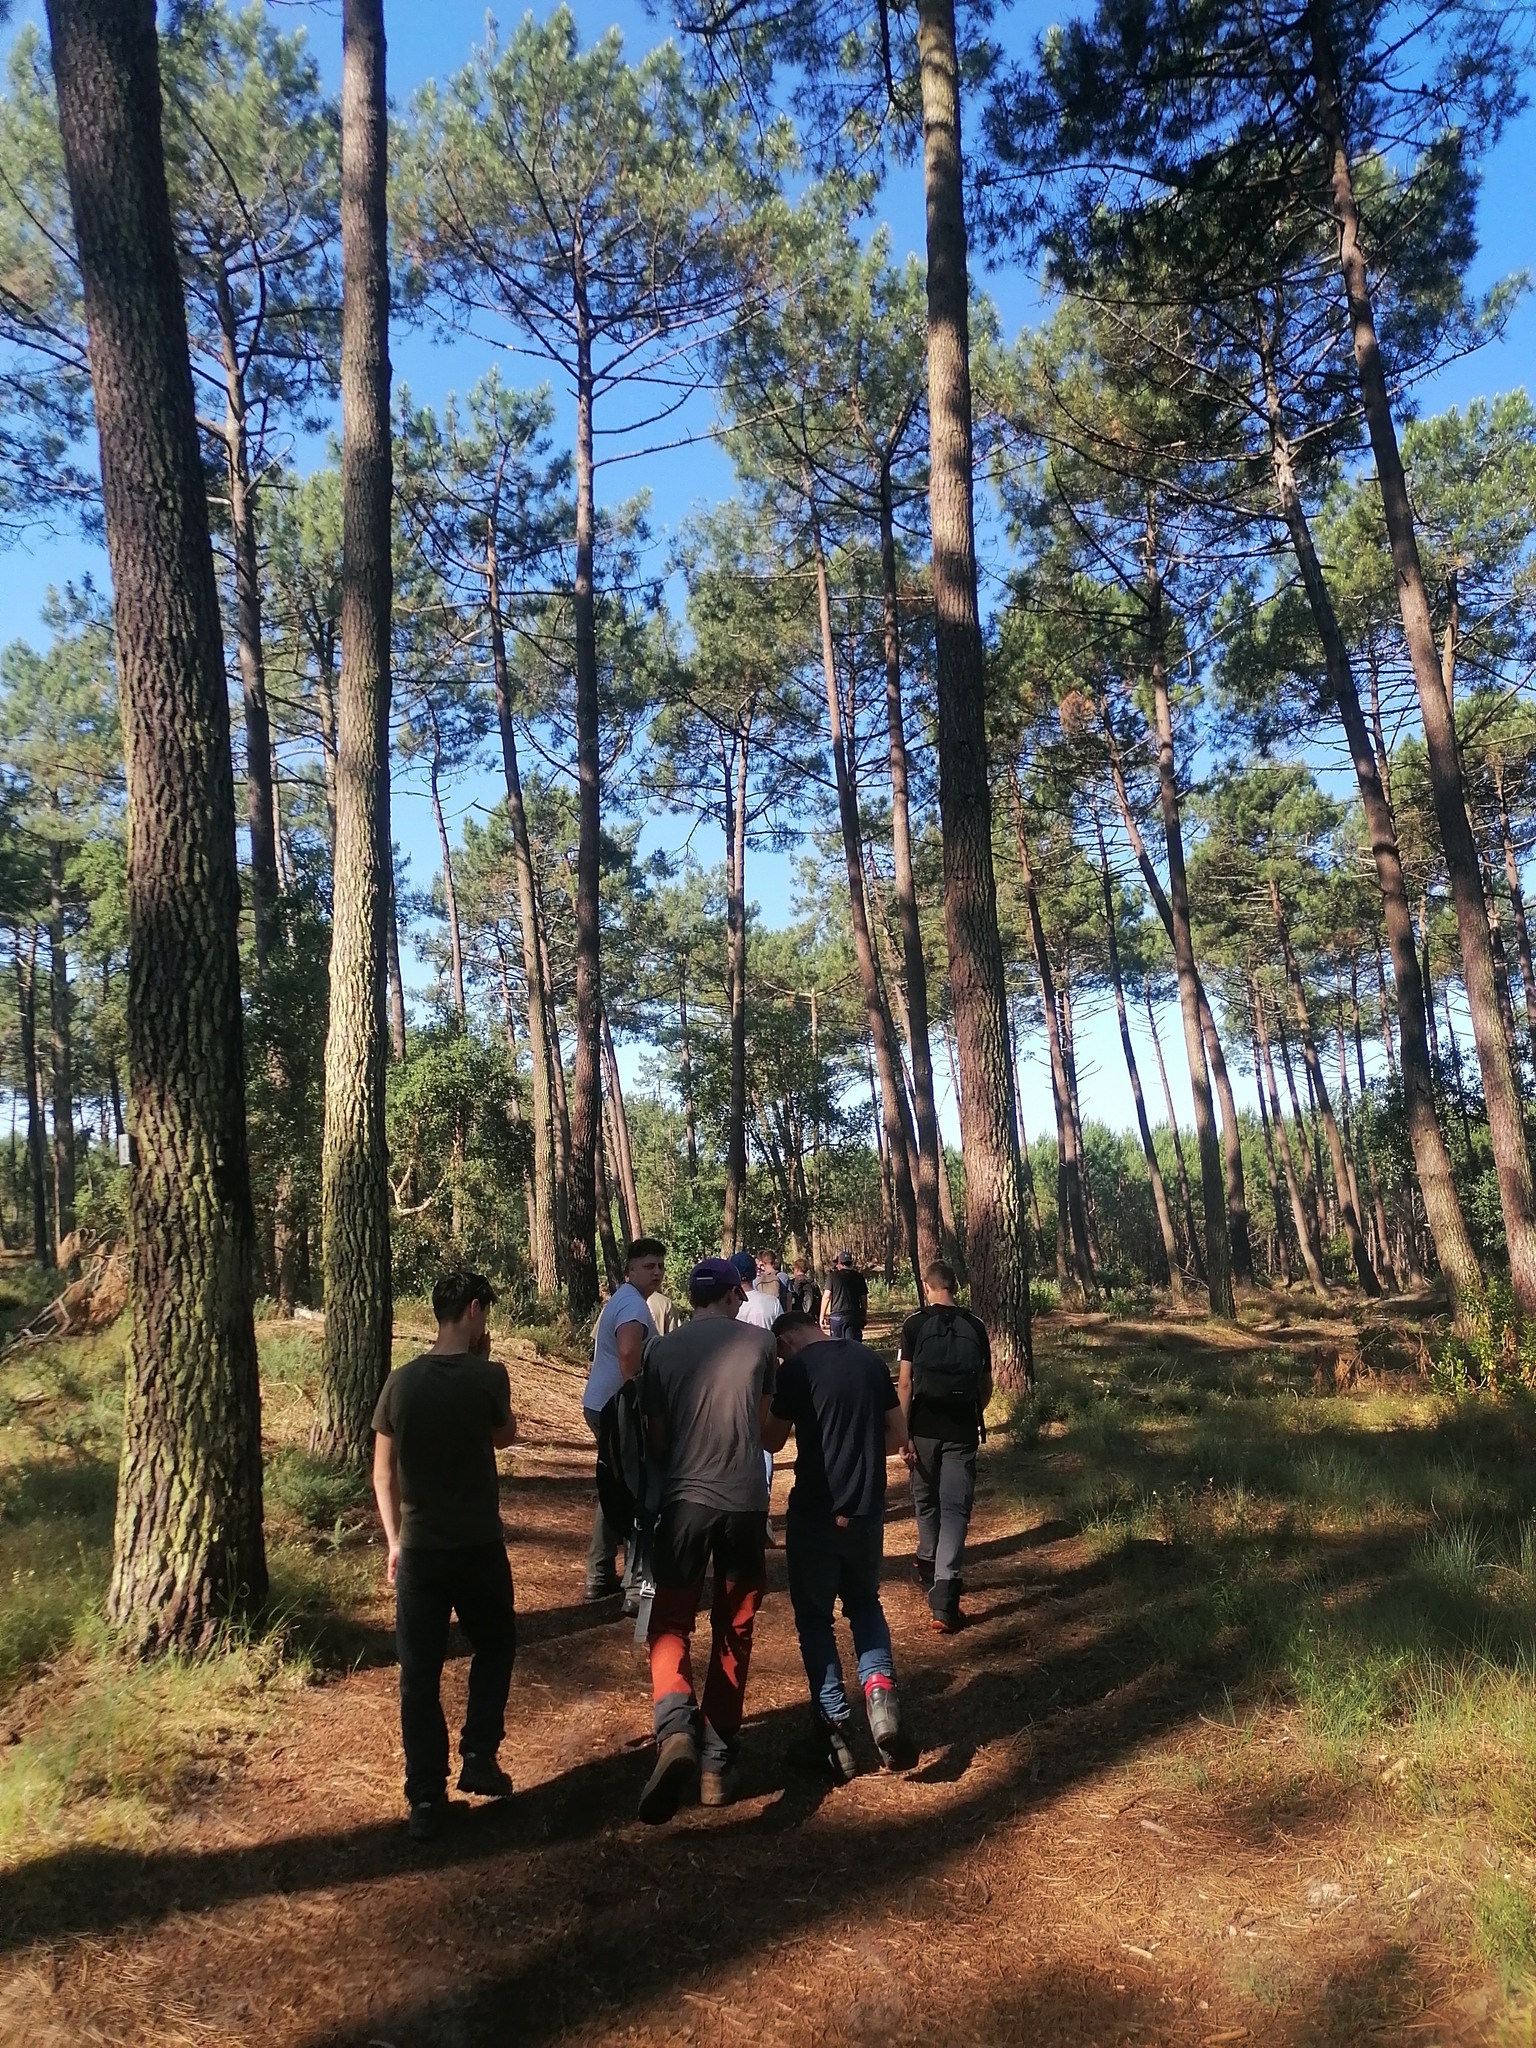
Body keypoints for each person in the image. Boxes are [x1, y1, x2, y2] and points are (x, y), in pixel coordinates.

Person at [372, 1271, 519, 1842]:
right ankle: (479, 1754)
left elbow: (382, 1473)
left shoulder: (400, 1384)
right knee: (496, 1644)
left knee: (419, 1675)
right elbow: (504, 1436)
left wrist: (394, 1540)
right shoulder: (489, 1377)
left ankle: (425, 1799)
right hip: (479, 1546)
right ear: (476, 1310)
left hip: (421, 1553)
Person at [638, 1256, 777, 1824]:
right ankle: (717, 1762)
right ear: (733, 1294)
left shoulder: (659, 1351)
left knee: (671, 1620)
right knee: (734, 1625)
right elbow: (770, 1430)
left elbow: (657, 1440)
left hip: (684, 1506)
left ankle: (675, 1729)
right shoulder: (759, 1346)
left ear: (691, 1299)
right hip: (744, 1504)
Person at [765, 1311, 908, 1779]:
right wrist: (862, 1445)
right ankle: (881, 1699)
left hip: (815, 1514)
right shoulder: (869, 1360)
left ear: (785, 1340)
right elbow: (897, 1435)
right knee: (865, 1604)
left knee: (814, 1621)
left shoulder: (798, 1371)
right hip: (867, 1511)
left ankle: (834, 1730)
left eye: (779, 1350)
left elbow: (770, 1438)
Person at [898, 1260, 992, 1634]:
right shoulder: (976, 1326)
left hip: (922, 1427)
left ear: (927, 1284)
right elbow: (986, 1385)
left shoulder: (915, 1324)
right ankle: (946, 1598)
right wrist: (974, 1411)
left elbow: (905, 1385)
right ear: (956, 1286)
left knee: (925, 1499)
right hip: (962, 1429)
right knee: (955, 1509)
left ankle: (926, 1561)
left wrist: (902, 1434)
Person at [581, 1237, 667, 1602]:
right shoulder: (633, 1305)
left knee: (615, 1488)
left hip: (605, 1405)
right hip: (619, 1411)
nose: (657, 1273)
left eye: (660, 1266)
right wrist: (642, 1405)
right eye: (649, 1266)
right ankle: (635, 1588)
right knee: (638, 1491)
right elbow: (630, 1355)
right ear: (630, 1269)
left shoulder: (624, 1299)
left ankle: (599, 1575)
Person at [824, 1249, 868, 1343]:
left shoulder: (832, 1276)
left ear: (840, 1263)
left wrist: (821, 1316)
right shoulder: (859, 1277)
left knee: (837, 1347)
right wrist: (864, 1313)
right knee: (853, 1346)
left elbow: (826, 1297)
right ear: (851, 1263)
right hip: (853, 1316)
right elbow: (863, 1298)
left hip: (836, 1317)